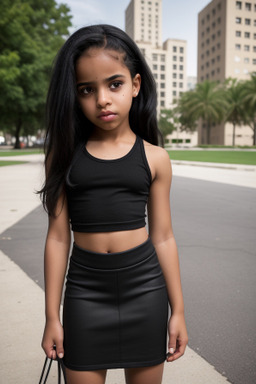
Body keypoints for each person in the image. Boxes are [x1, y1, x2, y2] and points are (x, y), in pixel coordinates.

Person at [40, 24, 188, 384]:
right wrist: (52, 317)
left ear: (135, 85)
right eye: (87, 90)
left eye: (114, 84)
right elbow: (58, 239)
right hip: (85, 294)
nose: (102, 99)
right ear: (74, 96)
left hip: (145, 291)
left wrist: (178, 311)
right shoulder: (63, 157)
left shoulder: (155, 159)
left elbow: (164, 237)